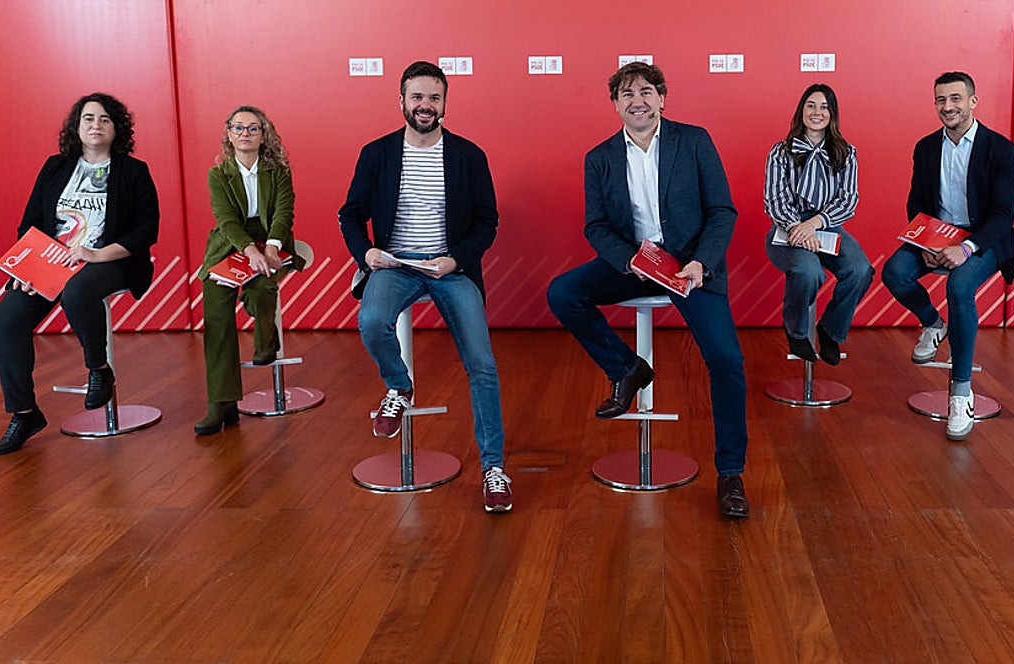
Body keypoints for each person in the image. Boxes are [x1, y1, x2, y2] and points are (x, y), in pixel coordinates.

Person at [547, 62, 750, 518]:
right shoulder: (599, 158)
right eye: (626, 94)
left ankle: (731, 474)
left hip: (692, 266)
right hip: (631, 263)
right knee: (563, 293)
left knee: (727, 360)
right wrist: (626, 261)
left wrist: (701, 261)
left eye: (645, 91)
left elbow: (722, 211)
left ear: (662, 97)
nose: (636, 100)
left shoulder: (694, 141)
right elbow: (595, 225)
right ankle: (627, 368)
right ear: (615, 104)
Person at [339, 60, 511, 513]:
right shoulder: (376, 153)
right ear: (401, 101)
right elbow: (350, 213)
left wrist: (455, 258)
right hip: (393, 265)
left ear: (444, 103)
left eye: (434, 97)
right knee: (372, 320)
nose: (425, 105)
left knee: (482, 365)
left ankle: (494, 468)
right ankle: (399, 386)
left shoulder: (468, 155)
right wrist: (367, 254)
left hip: (449, 267)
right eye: (417, 97)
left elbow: (486, 222)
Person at [0, 93, 160, 455]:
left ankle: (99, 369)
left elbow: (146, 230)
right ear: (76, 127)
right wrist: (27, 267)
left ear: (117, 129)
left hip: (109, 259)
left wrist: (97, 254)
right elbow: (30, 224)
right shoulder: (55, 167)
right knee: (7, 319)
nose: (95, 125)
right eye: (88, 119)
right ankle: (24, 413)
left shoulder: (133, 171)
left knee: (78, 292)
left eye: (104, 119)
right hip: (50, 261)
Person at [880, 71, 1014, 441]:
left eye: (956, 99)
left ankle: (961, 392)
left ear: (973, 101)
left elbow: (1004, 216)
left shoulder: (1001, 149)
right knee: (894, 272)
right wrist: (925, 242)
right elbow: (917, 203)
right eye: (941, 100)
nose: (948, 107)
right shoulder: (926, 147)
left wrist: (966, 248)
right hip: (935, 238)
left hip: (983, 240)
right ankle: (933, 323)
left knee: (959, 287)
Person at [194, 106, 303, 434]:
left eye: (253, 128)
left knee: (261, 288)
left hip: (271, 238)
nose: (245, 133)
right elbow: (225, 219)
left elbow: (285, 211)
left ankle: (267, 339)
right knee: (216, 312)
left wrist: (270, 246)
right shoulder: (218, 174)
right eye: (238, 127)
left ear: (263, 134)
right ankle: (221, 402)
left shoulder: (278, 170)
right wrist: (249, 250)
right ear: (228, 134)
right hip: (231, 242)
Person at [764, 84, 873, 364]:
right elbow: (775, 200)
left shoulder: (846, 153)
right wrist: (799, 229)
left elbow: (848, 201)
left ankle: (830, 330)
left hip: (827, 226)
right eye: (811, 105)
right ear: (801, 110)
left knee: (861, 270)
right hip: (787, 228)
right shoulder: (781, 152)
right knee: (808, 271)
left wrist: (815, 224)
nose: (817, 112)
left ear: (832, 114)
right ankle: (797, 331)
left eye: (824, 107)